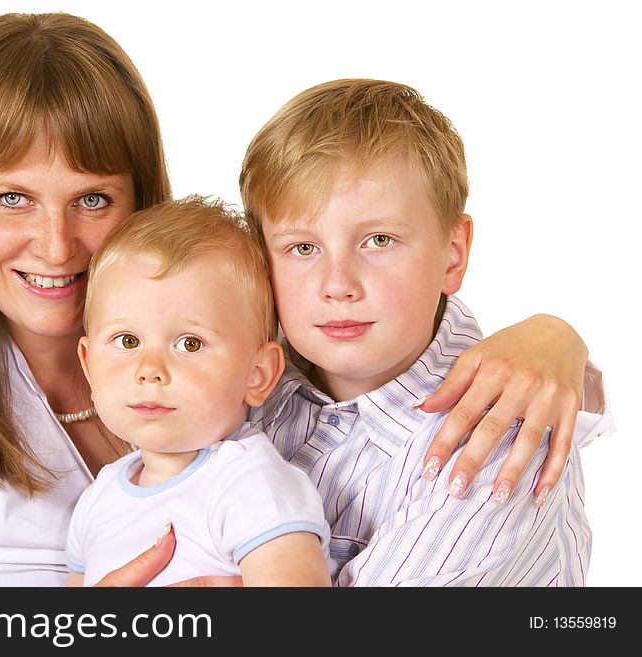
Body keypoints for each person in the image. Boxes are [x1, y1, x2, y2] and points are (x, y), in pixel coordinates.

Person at [0, 12, 603, 587]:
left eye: (92, 199)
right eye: (11, 199)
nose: (55, 245)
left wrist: (553, 336)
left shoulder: (257, 354)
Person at [239, 79, 613, 585]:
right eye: (302, 248)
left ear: (453, 253)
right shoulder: (257, 383)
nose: (337, 285)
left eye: (378, 239)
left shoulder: (497, 444)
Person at [66, 197, 332, 587]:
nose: (150, 371)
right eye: (126, 341)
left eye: (190, 344)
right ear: (89, 365)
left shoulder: (249, 482)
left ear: (257, 375)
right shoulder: (98, 498)